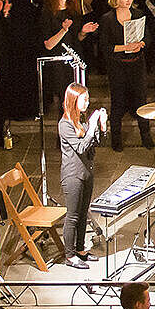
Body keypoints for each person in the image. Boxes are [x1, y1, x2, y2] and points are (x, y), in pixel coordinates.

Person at [57, 82, 106, 268]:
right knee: (73, 216)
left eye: (87, 98)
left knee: (83, 213)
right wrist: (92, 126)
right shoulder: (65, 124)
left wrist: (101, 127)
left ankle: (80, 249)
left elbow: (93, 146)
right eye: (84, 99)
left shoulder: (81, 122)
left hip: (86, 172)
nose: (87, 102)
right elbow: (80, 147)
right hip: (72, 175)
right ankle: (70, 256)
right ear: (73, 100)